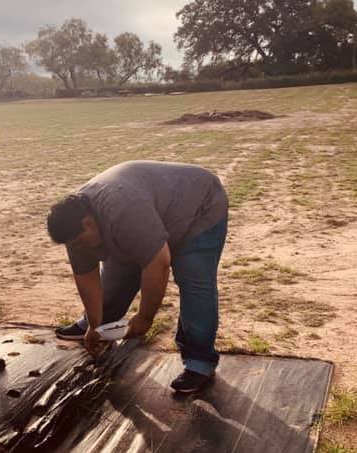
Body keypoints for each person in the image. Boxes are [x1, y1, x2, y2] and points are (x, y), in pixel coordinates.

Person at [47, 160, 228, 393]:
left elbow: (158, 265)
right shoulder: (74, 231)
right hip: (146, 218)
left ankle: (199, 362)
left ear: (88, 223)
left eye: (79, 243)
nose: (77, 248)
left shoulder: (123, 211)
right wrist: (94, 325)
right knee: (115, 283)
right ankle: (97, 324)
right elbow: (86, 279)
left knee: (194, 282)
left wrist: (144, 318)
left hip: (198, 206)